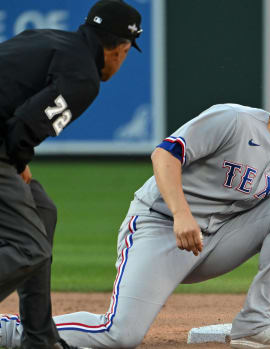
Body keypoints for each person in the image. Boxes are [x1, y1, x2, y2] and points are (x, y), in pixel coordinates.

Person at [1, 72, 270, 349]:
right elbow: (164, 156)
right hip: (159, 227)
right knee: (120, 334)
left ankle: (254, 323)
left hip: (212, 242)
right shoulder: (234, 121)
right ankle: (13, 330)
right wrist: (182, 213)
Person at [0, 1, 142, 348]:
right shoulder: (83, 76)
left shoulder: (45, 38)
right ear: (120, 48)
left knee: (42, 210)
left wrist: (17, 159)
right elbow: (24, 127)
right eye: (125, 52)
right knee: (29, 247)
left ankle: (39, 337)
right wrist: (16, 162)